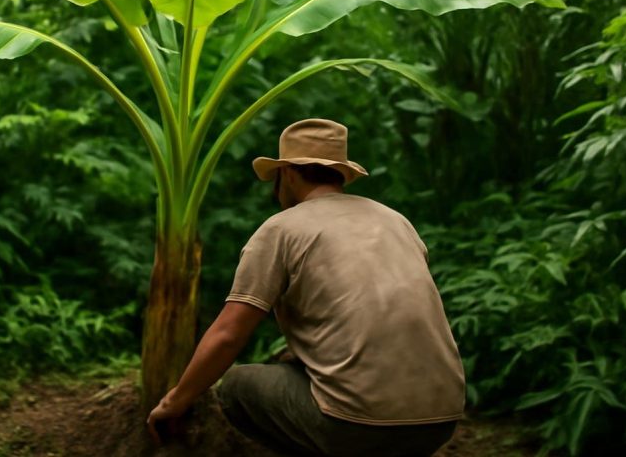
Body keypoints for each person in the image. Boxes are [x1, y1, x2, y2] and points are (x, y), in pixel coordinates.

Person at [146, 118, 465, 456]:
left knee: (237, 387)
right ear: (341, 173)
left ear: (289, 173)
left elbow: (229, 335)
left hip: (355, 425)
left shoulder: (282, 229)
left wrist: (175, 400)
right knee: (293, 368)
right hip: (441, 419)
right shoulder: (396, 221)